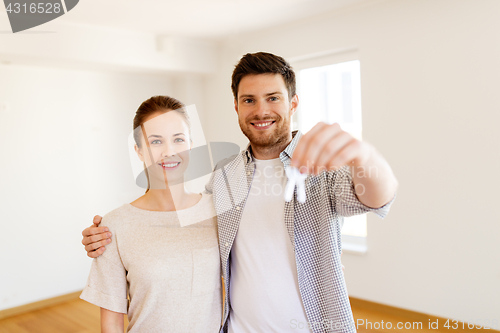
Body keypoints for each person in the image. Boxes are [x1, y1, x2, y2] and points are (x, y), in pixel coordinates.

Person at [82, 52, 398, 333]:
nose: (261, 110)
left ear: (293, 103)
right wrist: (106, 234)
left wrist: (363, 155)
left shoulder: (321, 168)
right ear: (236, 106)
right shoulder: (223, 176)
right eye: (249, 100)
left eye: (273, 98)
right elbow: (173, 228)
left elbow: (377, 197)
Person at [80, 96, 222, 333]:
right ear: (139, 151)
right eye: (156, 141)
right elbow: (112, 322)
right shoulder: (113, 226)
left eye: (178, 139)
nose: (169, 151)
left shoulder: (216, 211)